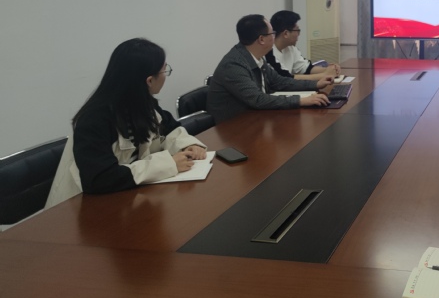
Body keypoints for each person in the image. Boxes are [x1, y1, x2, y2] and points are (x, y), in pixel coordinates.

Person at [46, 38, 207, 208]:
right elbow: (101, 178)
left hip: (128, 198)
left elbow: (169, 128)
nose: (165, 75)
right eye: (164, 70)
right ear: (149, 81)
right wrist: (168, 164)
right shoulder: (94, 120)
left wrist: (187, 145)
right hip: (82, 209)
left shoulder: (142, 102)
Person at [207, 14, 331, 123]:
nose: (274, 36)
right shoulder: (234, 65)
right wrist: (301, 101)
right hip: (233, 127)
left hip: (256, 118)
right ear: (261, 39)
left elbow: (279, 81)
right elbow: (258, 99)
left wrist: (315, 84)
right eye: (272, 33)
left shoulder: (257, 57)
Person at [267, 10, 340, 80]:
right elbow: (285, 78)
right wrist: (324, 75)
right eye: (297, 30)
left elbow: (306, 68)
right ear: (286, 33)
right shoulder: (269, 52)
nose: (298, 34)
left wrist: (330, 70)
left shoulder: (291, 48)